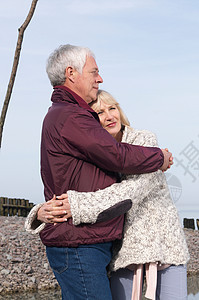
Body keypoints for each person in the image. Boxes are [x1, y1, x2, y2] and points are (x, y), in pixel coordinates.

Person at [28, 44, 173, 300]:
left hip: (87, 242)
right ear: (71, 73)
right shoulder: (71, 117)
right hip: (79, 244)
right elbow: (117, 156)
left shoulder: (70, 115)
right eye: (94, 72)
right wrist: (159, 157)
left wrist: (39, 211)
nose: (100, 78)